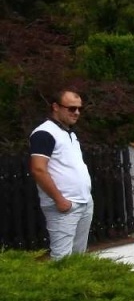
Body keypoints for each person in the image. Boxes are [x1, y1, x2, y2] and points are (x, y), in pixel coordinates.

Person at [29, 88, 93, 260]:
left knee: (78, 257)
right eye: (71, 108)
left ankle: (77, 288)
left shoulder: (69, 133)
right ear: (56, 107)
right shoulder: (44, 133)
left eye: (79, 108)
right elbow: (38, 169)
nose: (77, 112)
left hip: (84, 202)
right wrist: (60, 200)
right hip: (64, 206)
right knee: (61, 260)